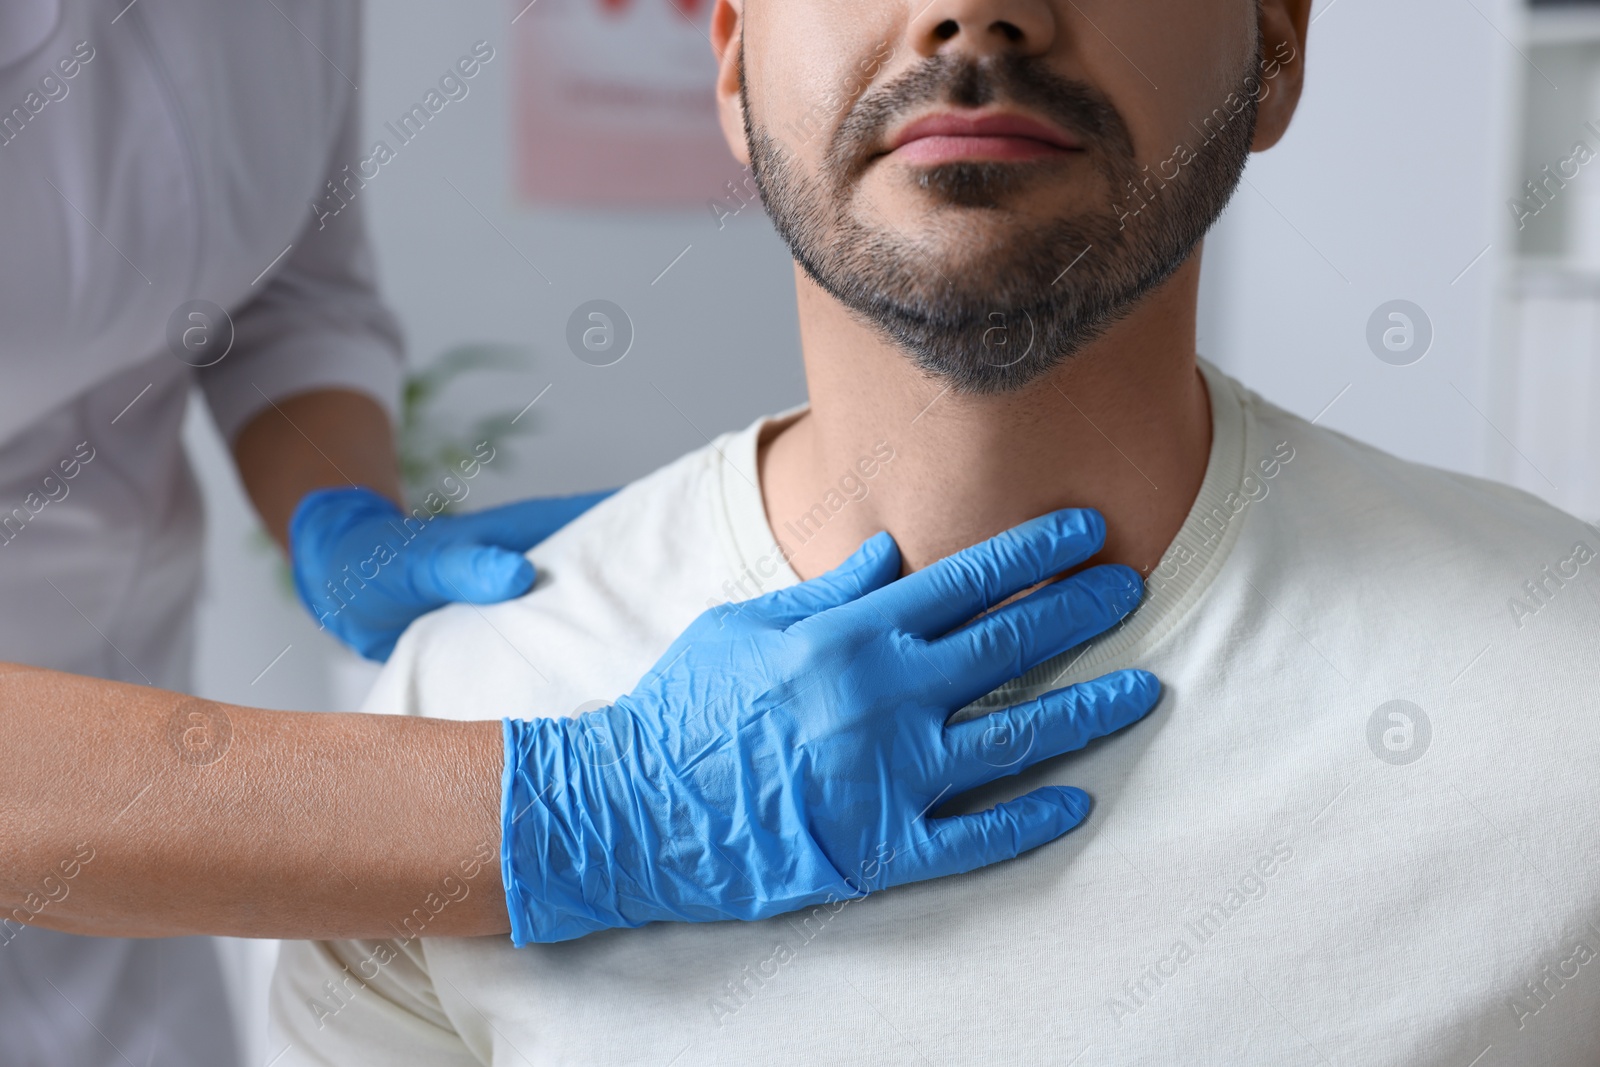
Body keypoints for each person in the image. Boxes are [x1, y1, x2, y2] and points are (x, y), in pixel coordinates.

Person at [270, 0, 1600, 1063]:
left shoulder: (1564, 691)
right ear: (731, 61)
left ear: (1276, 47)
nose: (975, 18)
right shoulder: (476, 706)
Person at [0, 3, 1157, 1065]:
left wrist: (332, 513)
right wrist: (591, 808)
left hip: (121, 826)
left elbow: (278, 290)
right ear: (735, 54)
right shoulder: (477, 690)